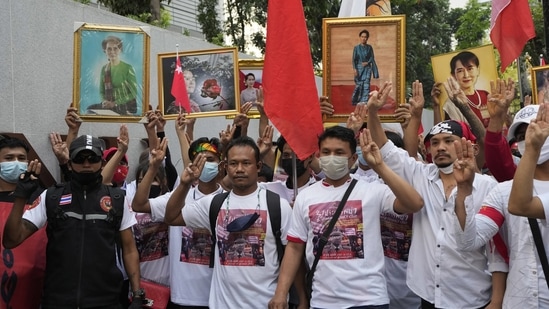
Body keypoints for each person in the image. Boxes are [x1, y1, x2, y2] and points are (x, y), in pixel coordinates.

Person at [367, 81, 498, 308]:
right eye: (434, 143)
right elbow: (384, 148)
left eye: (449, 141)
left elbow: (499, 250)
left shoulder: (489, 187)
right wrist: (372, 112)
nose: (440, 147)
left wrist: (497, 301)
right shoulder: (420, 174)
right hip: (426, 294)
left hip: (472, 297)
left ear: (470, 147)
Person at [269, 126, 423, 309]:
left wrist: (380, 167)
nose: (332, 157)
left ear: (353, 159)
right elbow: (294, 248)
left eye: (339, 152)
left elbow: (414, 203)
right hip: (323, 301)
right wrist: (281, 293)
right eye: (326, 152)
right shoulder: (305, 197)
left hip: (369, 300)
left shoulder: (371, 190)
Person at [2, 134, 143, 308]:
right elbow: (11, 239)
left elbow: (129, 250)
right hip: (58, 301)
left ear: (102, 162)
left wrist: (137, 294)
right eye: (79, 158)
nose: (86, 164)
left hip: (105, 301)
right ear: (69, 162)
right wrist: (21, 197)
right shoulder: (52, 196)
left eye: (92, 158)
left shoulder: (117, 199)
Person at [165, 136, 293, 308]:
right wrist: (184, 184)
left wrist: (282, 294)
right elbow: (172, 217)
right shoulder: (213, 204)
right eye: (233, 163)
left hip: (265, 303)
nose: (239, 169)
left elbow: (293, 253)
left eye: (246, 163)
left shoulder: (278, 205)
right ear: (225, 168)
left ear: (258, 166)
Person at [453, 103, 549, 308]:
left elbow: (521, 206)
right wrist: (463, 191)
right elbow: (467, 242)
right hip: (519, 300)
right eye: (522, 136)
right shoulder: (502, 192)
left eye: (538, 128)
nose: (530, 138)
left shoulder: (513, 196)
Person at [0, 135, 46, 309]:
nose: (16, 163)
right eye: (9, 158)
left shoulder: (40, 197)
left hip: (31, 285)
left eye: (21, 158)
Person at [87, 35, 139, 115]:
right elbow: (101, 91)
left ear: (120, 50)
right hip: (109, 105)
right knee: (89, 110)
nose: (112, 51)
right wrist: (104, 102)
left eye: (115, 48)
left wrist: (115, 103)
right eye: (109, 49)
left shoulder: (128, 68)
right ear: (105, 51)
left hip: (124, 105)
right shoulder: (104, 69)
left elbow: (134, 92)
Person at [443, 51, 491, 128]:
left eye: (470, 69)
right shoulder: (451, 104)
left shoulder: (486, 95)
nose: (466, 75)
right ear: (453, 75)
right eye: (460, 71)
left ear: (477, 70)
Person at [352, 29, 379, 105]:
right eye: (362, 36)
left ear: (367, 38)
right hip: (359, 68)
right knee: (359, 84)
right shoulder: (356, 48)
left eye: (365, 37)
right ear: (360, 37)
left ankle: (364, 101)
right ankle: (356, 100)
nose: (363, 38)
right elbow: (354, 59)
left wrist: (367, 62)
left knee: (366, 84)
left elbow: (372, 57)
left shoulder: (369, 47)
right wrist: (355, 69)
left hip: (367, 68)